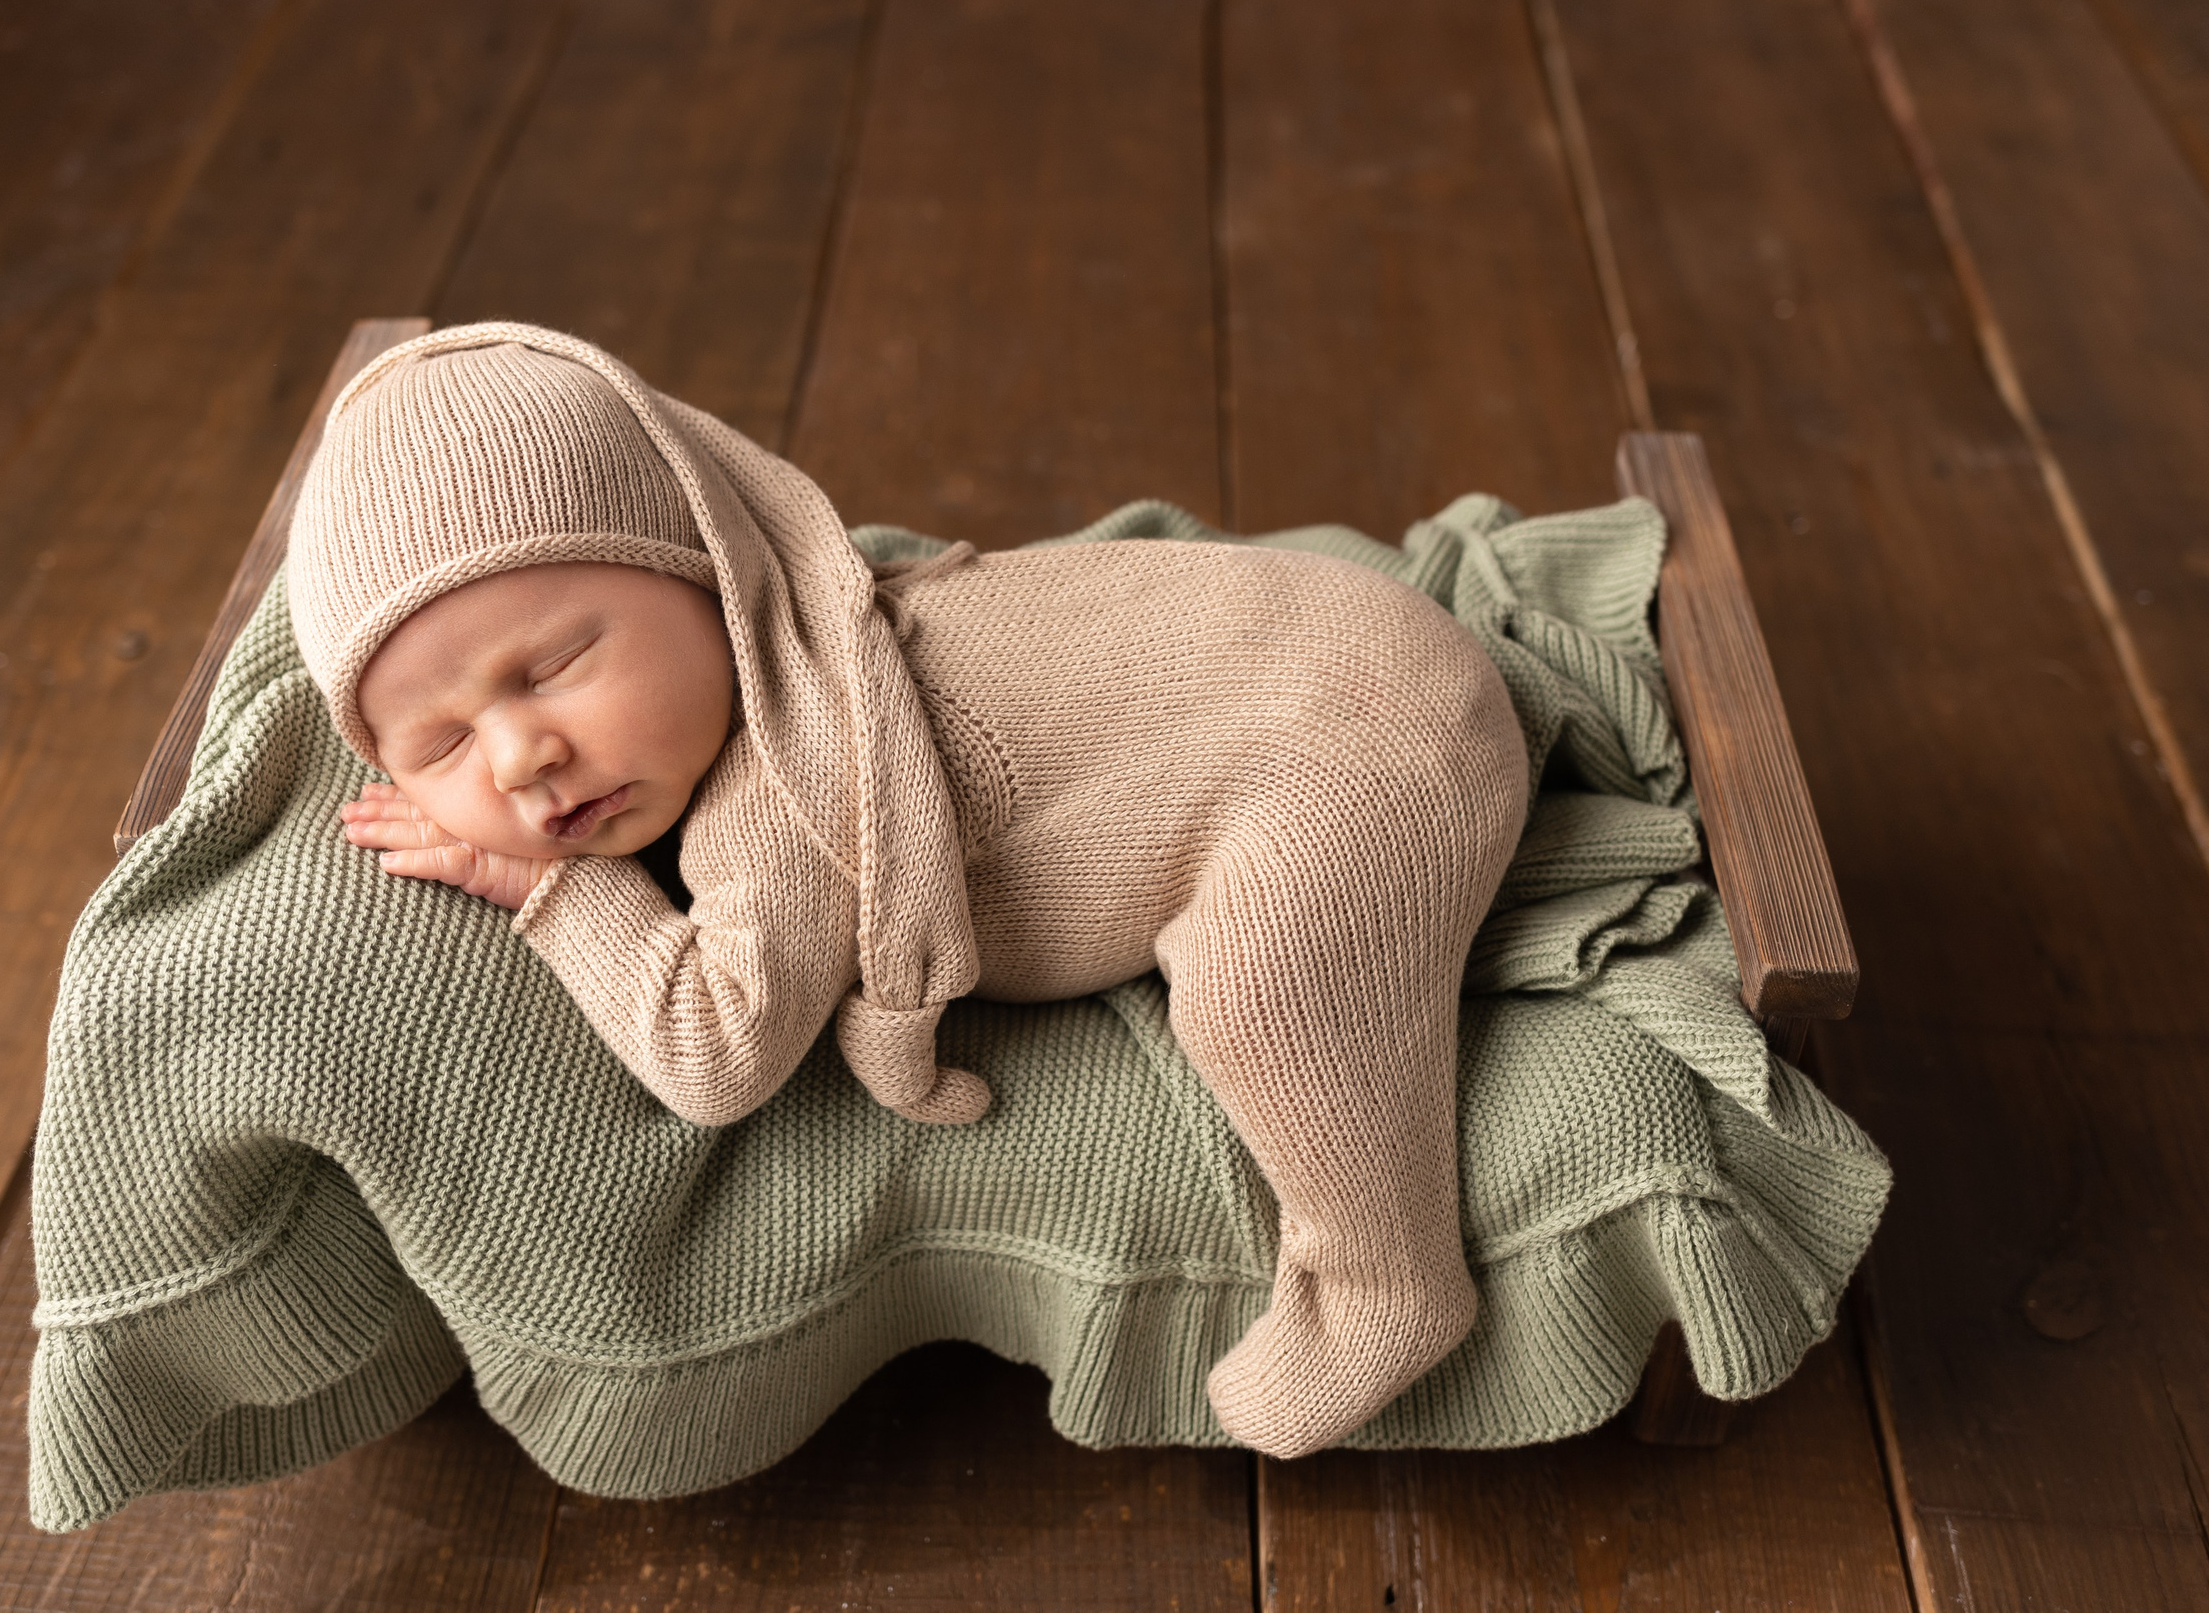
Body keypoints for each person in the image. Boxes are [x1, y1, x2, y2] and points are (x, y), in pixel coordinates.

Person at [286, 323, 1527, 1459]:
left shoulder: (783, 789)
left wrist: (550, 889)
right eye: (438, 749)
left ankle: (1386, 1278)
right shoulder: (812, 633)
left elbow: (714, 1052)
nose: (517, 761)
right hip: (1336, 640)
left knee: (1263, 995)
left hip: (1369, 739)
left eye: (555, 664)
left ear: (711, 574)